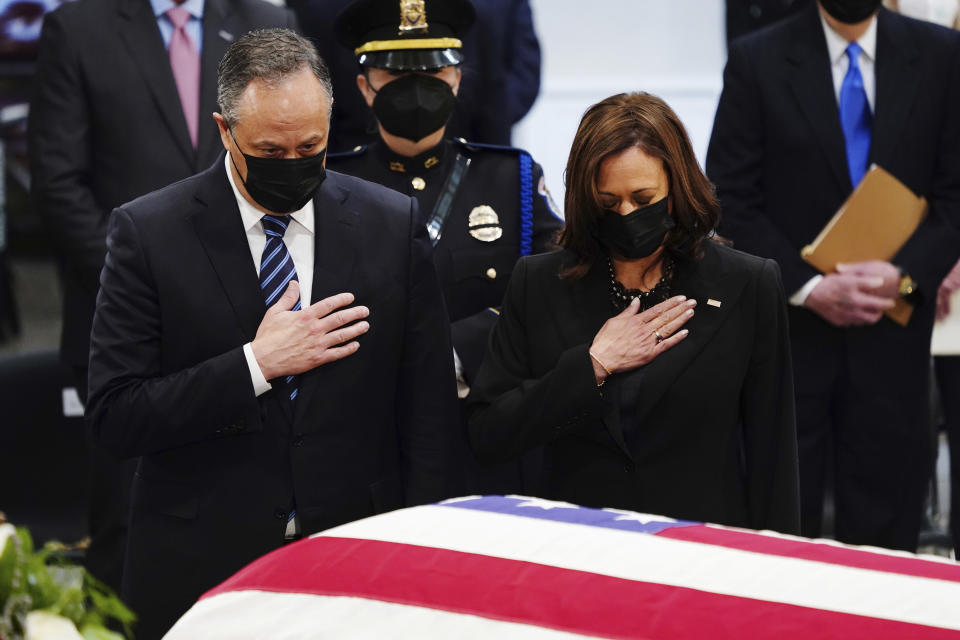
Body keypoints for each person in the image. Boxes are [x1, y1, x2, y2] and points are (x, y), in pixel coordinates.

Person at [85, 29, 458, 639]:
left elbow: (429, 414)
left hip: (355, 565)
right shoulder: (148, 233)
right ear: (225, 129)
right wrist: (255, 365)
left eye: (310, 145)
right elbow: (115, 416)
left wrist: (424, 551)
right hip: (198, 574)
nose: (293, 164)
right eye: (270, 150)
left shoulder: (391, 225)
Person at [27, 0, 296, 591]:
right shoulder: (78, 26)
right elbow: (57, 179)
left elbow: (289, 167)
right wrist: (148, 284)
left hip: (255, 333)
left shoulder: (265, 18)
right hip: (128, 333)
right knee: (126, 536)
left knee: (256, 540)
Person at [467, 93, 801, 534]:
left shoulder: (747, 284)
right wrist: (591, 366)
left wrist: (776, 567)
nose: (626, 214)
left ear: (677, 187)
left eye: (643, 199)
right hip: (577, 546)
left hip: (701, 552)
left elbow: (772, 453)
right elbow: (490, 433)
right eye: (608, 203)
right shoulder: (539, 282)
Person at [706, 0, 960, 551]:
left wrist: (906, 277)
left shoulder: (941, 55)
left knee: (888, 542)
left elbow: (954, 195)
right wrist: (811, 286)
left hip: (894, 340)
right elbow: (729, 197)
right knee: (782, 536)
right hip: (793, 343)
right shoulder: (758, 58)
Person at [328, 0, 562, 494]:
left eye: (433, 72)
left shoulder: (513, 179)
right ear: (364, 87)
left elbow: (553, 287)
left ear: (457, 79)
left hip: (486, 436)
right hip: (369, 440)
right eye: (394, 74)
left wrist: (455, 351)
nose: (417, 87)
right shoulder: (331, 186)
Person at [289, 0, 538, 151]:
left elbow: (498, 93)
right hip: (357, 157)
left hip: (461, 149)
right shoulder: (318, 8)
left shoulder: (481, 12)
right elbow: (315, 95)